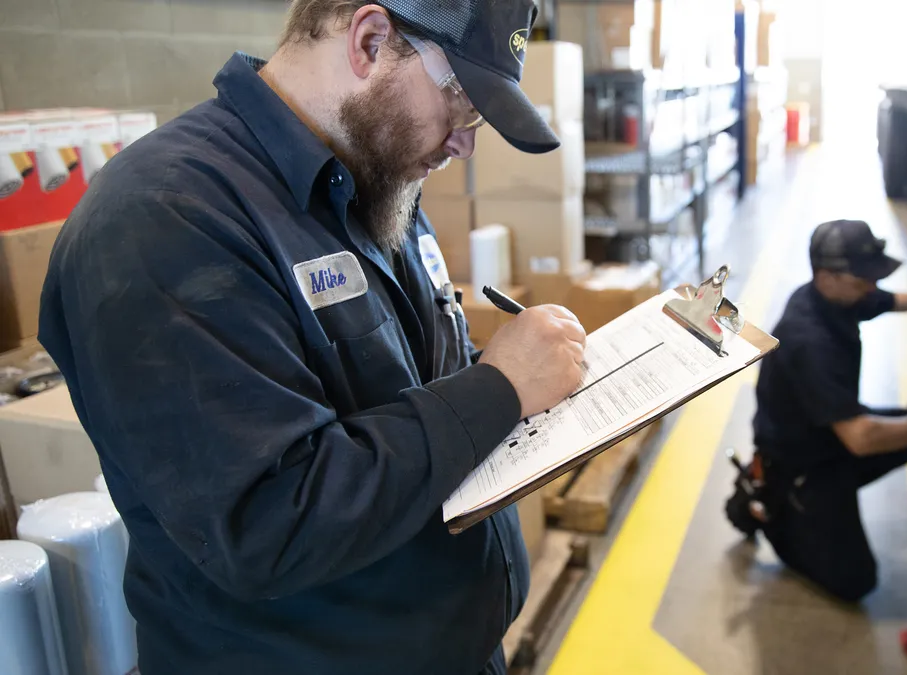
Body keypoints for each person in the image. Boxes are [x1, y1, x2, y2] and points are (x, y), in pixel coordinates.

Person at [38, 2, 587, 674]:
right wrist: (498, 389)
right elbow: (272, 520)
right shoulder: (163, 218)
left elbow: (420, 386)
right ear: (371, 40)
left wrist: (530, 405)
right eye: (463, 103)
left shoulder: (377, 181)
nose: (464, 142)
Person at [726, 219, 907, 603]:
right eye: (863, 279)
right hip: (803, 465)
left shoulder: (837, 297)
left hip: (828, 436)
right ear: (827, 276)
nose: (873, 287)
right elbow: (860, 439)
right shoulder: (809, 341)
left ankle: (823, 503)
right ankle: (776, 512)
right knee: (856, 582)